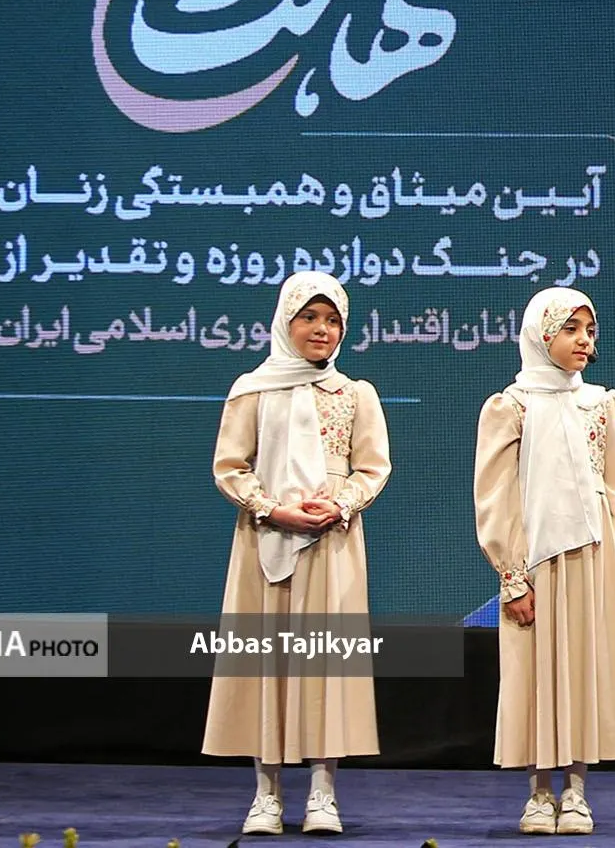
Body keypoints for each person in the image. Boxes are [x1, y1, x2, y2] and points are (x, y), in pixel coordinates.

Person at [202, 272, 391, 837]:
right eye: (309, 317)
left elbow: (373, 467)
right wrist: (269, 508)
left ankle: (323, 792)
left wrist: (342, 502)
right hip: (265, 537)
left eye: (332, 320)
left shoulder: (355, 393)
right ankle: (266, 794)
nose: (322, 329)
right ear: (286, 321)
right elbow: (230, 466)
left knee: (325, 663)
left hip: (332, 541)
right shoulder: (252, 389)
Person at [474, 289, 615, 834]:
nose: (584, 341)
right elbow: (495, 496)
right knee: (534, 672)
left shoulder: (602, 405)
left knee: (582, 671)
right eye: (570, 329)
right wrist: (512, 576)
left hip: (592, 558)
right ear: (541, 334)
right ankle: (538, 793)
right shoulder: (511, 406)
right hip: (535, 560)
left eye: (589, 331)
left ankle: (576, 791)